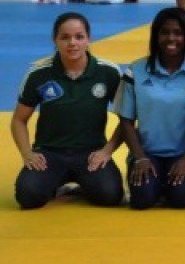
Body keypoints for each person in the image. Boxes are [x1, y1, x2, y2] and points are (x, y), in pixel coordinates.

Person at [11, 12, 124, 209]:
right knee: (28, 196)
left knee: (111, 195)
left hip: (91, 154)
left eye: (79, 37)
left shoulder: (108, 72)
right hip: (50, 153)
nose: (72, 43)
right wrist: (27, 153)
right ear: (55, 40)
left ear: (88, 39)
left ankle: (82, 185)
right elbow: (19, 120)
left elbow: (127, 118)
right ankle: (56, 185)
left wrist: (107, 151)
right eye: (65, 37)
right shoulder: (38, 74)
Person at [115, 7, 185, 209]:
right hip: (147, 152)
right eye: (165, 32)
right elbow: (126, 120)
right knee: (142, 200)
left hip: (184, 154)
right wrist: (140, 158)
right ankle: (152, 180)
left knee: (180, 199)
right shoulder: (136, 70)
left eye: (178, 33)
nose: (171, 38)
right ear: (156, 36)